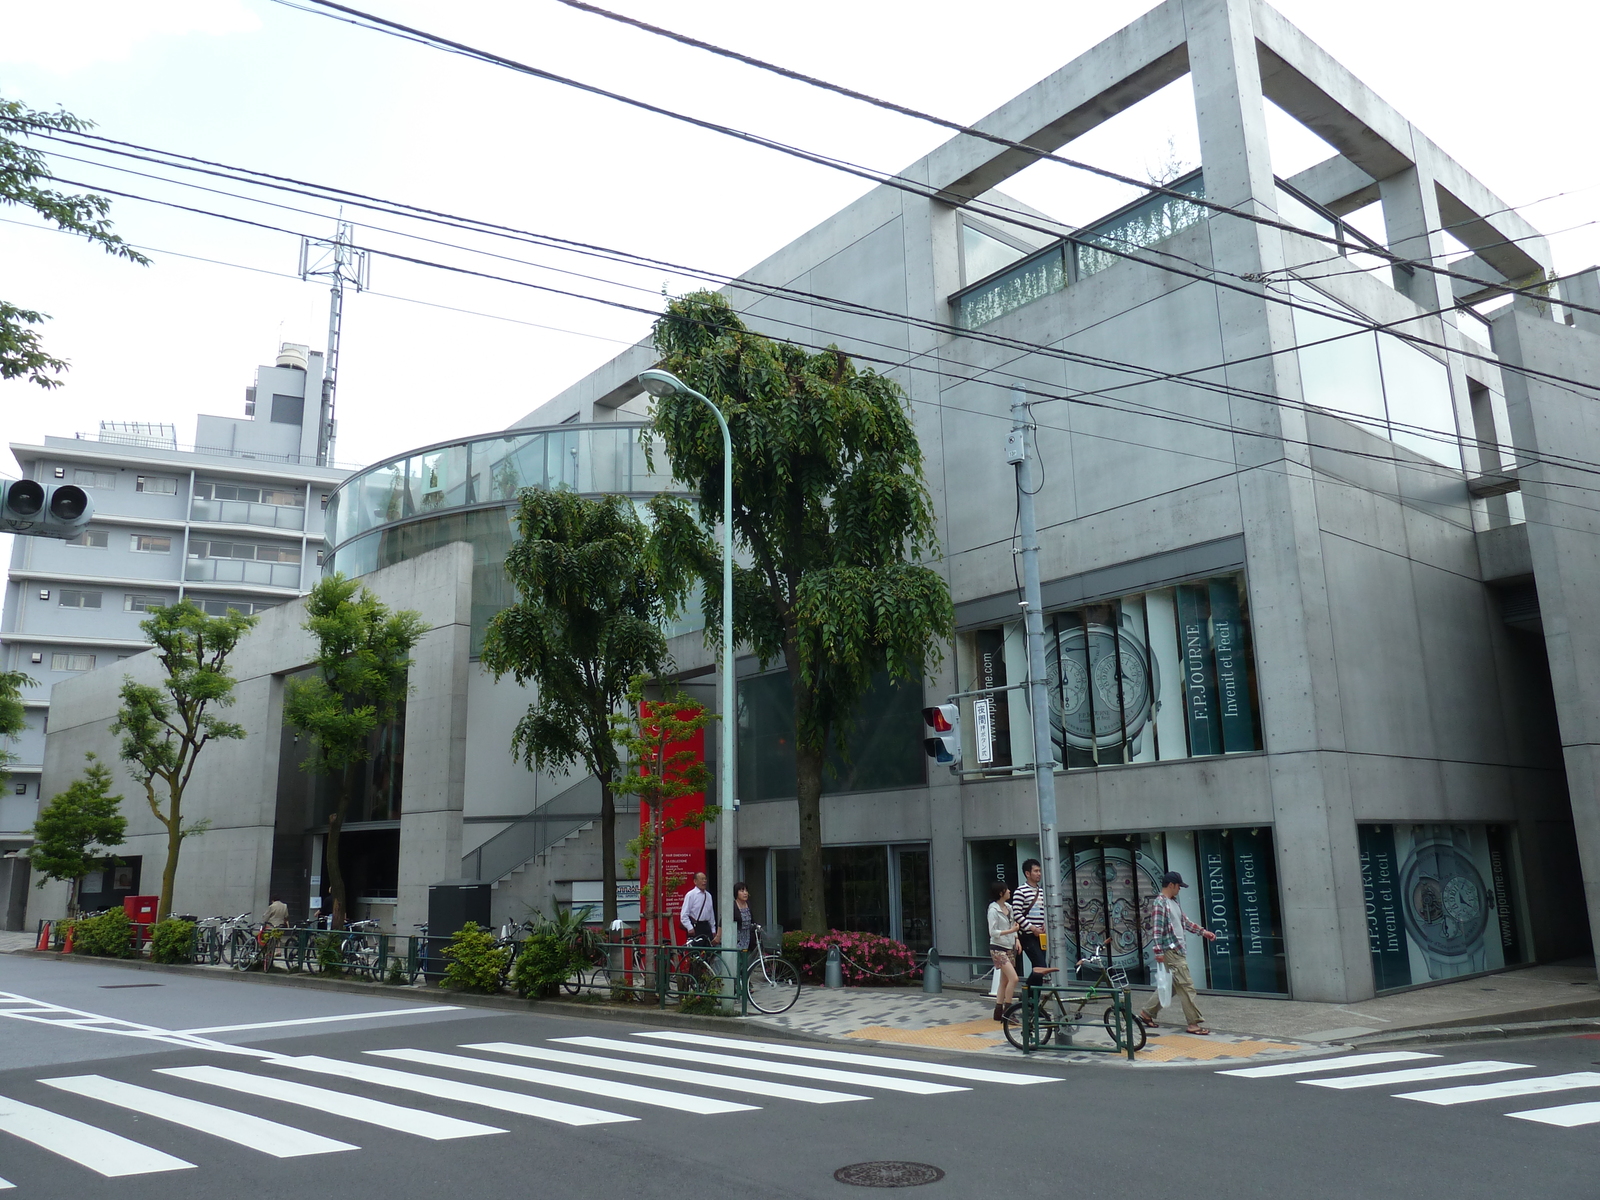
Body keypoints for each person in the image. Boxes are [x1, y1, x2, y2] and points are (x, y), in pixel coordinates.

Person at [1138, 871, 1218, 1035]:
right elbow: (1156, 930)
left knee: (1172, 985)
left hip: (1176, 950)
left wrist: (1203, 932)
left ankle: (1147, 1013)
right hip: (1171, 951)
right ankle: (1193, 1023)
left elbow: (1185, 923)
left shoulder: (1172, 902)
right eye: (1179, 886)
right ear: (1171, 885)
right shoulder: (1160, 904)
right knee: (1187, 986)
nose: (1180, 889)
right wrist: (1158, 951)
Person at [987, 879, 1020, 1021]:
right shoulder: (993, 910)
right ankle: (1009, 1011)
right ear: (1001, 893)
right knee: (1014, 978)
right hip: (998, 948)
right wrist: (1011, 931)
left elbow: (1014, 925)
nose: (1009, 891)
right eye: (1007, 890)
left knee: (1004, 981)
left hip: (1009, 946)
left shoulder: (1009, 907)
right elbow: (992, 932)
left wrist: (1016, 938)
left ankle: (998, 1011)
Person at [1010, 859, 1047, 978]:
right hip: (1027, 935)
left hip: (1041, 935)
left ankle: (1032, 994)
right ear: (1027, 873)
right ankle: (1029, 992)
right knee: (1040, 965)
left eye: (1039, 871)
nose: (1039, 874)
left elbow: (1046, 911)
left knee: (1040, 967)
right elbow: (1017, 914)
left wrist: (1045, 924)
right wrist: (1032, 928)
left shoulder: (1042, 891)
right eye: (1036, 871)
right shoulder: (1020, 891)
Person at [680, 872, 717, 945]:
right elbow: (684, 914)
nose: (704, 881)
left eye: (705, 879)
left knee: (709, 952)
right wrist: (689, 927)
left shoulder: (708, 895)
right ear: (695, 881)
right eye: (701, 879)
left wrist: (713, 929)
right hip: (696, 926)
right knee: (696, 952)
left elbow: (711, 914)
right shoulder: (691, 895)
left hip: (706, 926)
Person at [732, 882, 757, 957]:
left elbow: (752, 919)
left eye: (746, 891)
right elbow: (723, 921)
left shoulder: (748, 904)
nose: (745, 893)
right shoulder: (733, 906)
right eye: (742, 891)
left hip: (748, 937)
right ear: (736, 893)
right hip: (737, 938)